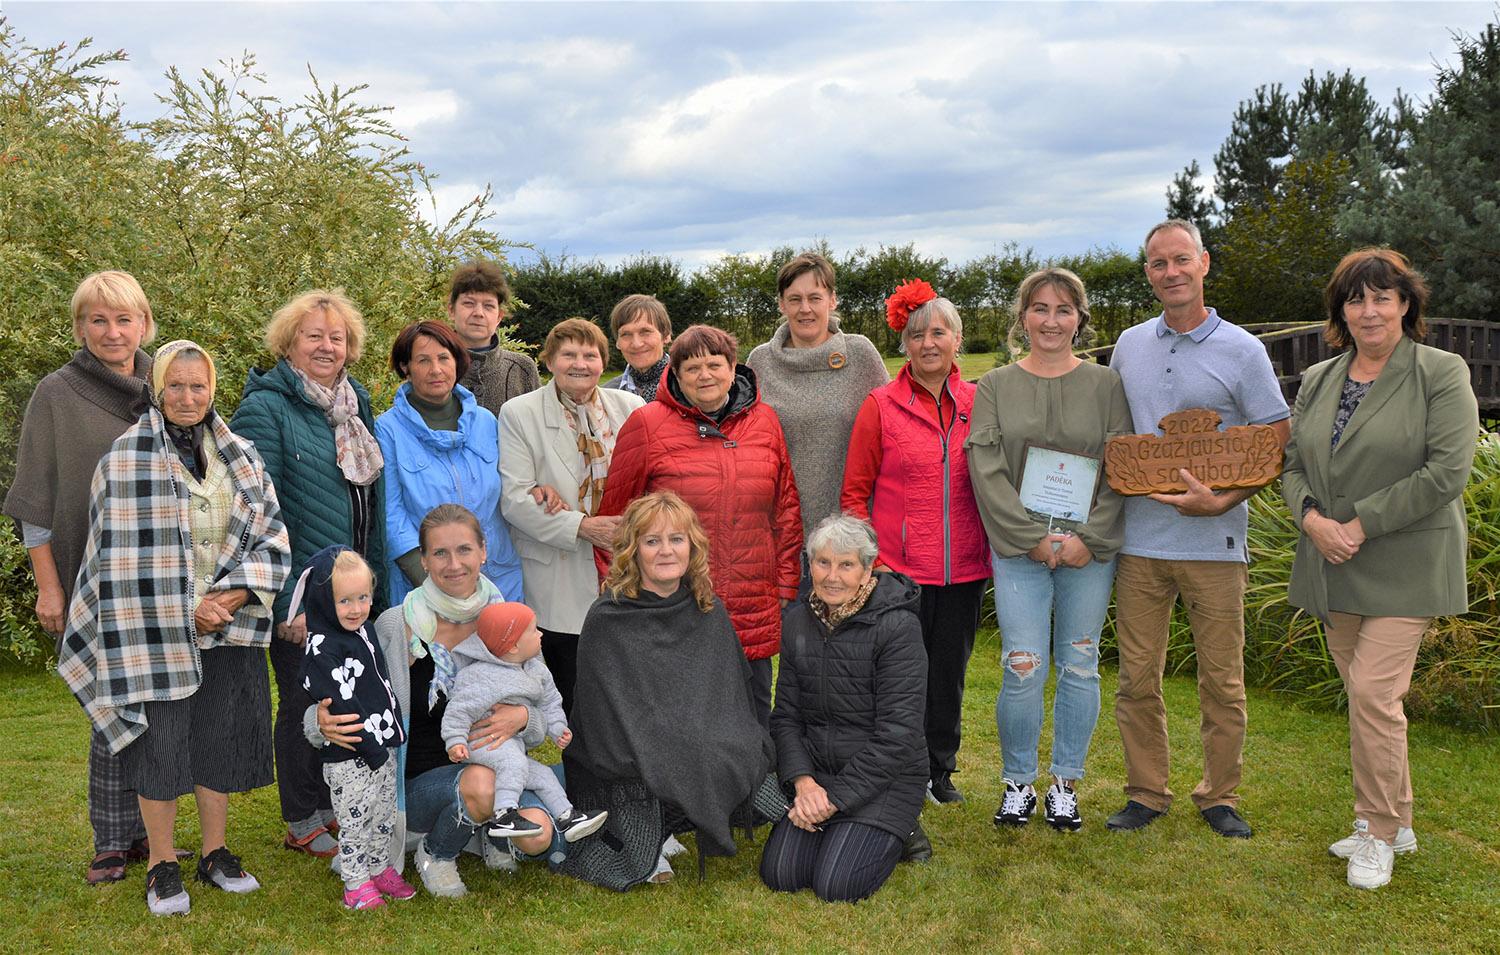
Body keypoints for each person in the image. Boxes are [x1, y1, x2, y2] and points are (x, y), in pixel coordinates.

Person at [58, 340, 291, 916]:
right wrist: (190, 605)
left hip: (230, 625)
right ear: (157, 389)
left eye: (199, 385)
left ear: (214, 389)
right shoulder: (125, 458)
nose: (189, 397)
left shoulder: (243, 455)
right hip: (154, 630)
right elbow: (116, 559)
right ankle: (162, 863)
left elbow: (273, 534)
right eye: (177, 386)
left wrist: (232, 596)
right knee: (160, 745)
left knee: (219, 738)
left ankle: (216, 853)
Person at [1283, 249, 1479, 889]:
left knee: (1372, 693)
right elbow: (1292, 467)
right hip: (1333, 561)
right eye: (1355, 299)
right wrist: (1313, 521)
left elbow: (1447, 471)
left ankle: (1376, 830)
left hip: (1404, 561)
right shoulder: (1318, 378)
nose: (1369, 310)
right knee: (1375, 704)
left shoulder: (1441, 372)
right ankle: (1404, 820)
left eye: (1382, 297)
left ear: (1406, 304)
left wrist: (1358, 525)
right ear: (1341, 311)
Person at [1106, 219, 1291, 839]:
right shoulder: (1129, 345)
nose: (1170, 273)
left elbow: (1273, 440)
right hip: (1139, 543)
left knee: (1222, 678)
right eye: (1158, 264)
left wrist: (1225, 500)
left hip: (1216, 543)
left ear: (1204, 263)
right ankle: (1145, 792)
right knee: (1137, 677)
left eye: (1180, 260)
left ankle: (1220, 796)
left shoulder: (1243, 349)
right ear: (1150, 273)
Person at [311, 504, 564, 899]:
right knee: (481, 785)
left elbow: (542, 711)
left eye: (464, 550)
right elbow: (328, 684)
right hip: (414, 782)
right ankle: (435, 852)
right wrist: (319, 721)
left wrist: (522, 717)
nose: (454, 564)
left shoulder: (511, 623)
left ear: (484, 550)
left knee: (539, 836)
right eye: (440, 553)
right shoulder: (395, 625)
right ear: (424, 561)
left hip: (497, 765)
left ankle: (484, 833)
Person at [966, 268, 1134, 831]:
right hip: (1019, 550)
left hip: (1090, 550)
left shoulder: (1106, 385)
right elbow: (985, 469)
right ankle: (1018, 783)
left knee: (1081, 664)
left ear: (1079, 319)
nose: (1051, 321)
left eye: (1063, 310)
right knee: (1023, 666)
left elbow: (1121, 468)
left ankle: (1065, 782)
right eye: (1040, 308)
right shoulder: (995, 387)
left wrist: (1089, 540)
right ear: (1023, 317)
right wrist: (1030, 538)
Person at [4, 271, 158, 884]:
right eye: (98, 320)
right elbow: (35, 504)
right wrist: (49, 586)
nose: (112, 332)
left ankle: (151, 829)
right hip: (87, 581)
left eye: (124, 319)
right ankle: (111, 841)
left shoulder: (167, 381)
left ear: (144, 324)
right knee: (107, 712)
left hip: (159, 583)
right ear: (79, 327)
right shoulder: (56, 394)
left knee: (155, 710)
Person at [230, 288, 387, 859]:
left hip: (353, 588)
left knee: (343, 700)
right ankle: (301, 818)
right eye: (313, 335)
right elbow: (255, 513)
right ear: (288, 343)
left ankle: (330, 805)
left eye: (336, 336)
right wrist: (284, 602)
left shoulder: (357, 401)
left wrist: (375, 587)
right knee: (302, 704)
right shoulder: (265, 408)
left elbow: (370, 498)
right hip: (301, 591)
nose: (326, 346)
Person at [564, 491, 776, 889]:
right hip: (628, 750)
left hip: (698, 738)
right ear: (633, 550)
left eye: (676, 539)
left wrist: (716, 736)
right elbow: (603, 715)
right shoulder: (607, 617)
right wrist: (669, 741)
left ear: (692, 547)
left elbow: (730, 694)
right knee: (666, 761)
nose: (666, 551)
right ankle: (657, 827)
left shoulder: (708, 608)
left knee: (754, 773)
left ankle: (681, 813)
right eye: (652, 541)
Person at [595, 325, 802, 725]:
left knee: (753, 713)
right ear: (676, 373)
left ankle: (756, 788)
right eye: (692, 367)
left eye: (714, 364)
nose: (705, 375)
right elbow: (615, 523)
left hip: (750, 597)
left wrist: (787, 583)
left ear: (732, 367)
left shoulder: (766, 422)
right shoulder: (647, 424)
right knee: (682, 718)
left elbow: (786, 511)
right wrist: (624, 597)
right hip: (675, 600)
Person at [841, 280, 990, 804]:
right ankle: (892, 768)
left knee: (947, 674)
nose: (928, 342)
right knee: (897, 678)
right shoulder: (880, 405)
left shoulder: (980, 402)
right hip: (898, 570)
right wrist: (873, 561)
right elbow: (855, 491)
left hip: (964, 568)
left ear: (957, 339)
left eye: (939, 332)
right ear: (903, 344)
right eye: (917, 333)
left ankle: (938, 770)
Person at [760, 515, 927, 903]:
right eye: (823, 562)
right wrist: (804, 784)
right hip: (818, 777)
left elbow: (898, 735)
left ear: (868, 569)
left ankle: (904, 831)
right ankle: (843, 828)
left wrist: (834, 800)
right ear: (810, 565)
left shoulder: (897, 628)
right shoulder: (798, 621)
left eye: (846, 564)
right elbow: (785, 716)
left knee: (836, 885)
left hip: (884, 779)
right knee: (781, 875)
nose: (832, 576)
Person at [498, 318, 643, 714]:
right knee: (577, 696)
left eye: (590, 354)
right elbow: (515, 499)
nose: (580, 363)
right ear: (549, 361)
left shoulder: (631, 409)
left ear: (603, 361)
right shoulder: (519, 414)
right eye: (568, 354)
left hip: (623, 566)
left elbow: (651, 481)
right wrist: (581, 526)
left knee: (628, 691)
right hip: (559, 576)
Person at [293, 546, 415, 910]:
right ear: (322, 602)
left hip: (382, 745)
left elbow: (381, 683)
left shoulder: (365, 632)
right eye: (344, 600)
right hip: (351, 755)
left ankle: (378, 868)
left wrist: (391, 735)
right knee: (355, 819)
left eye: (363, 597)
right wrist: (374, 747)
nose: (357, 608)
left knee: (382, 814)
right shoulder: (322, 649)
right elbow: (343, 704)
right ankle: (355, 881)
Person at [376, 320, 524, 606]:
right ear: (405, 367)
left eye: (444, 358)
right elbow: (391, 516)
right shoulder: (387, 430)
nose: (436, 370)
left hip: (499, 578)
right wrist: (435, 584)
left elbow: (514, 486)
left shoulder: (486, 421)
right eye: (423, 360)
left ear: (457, 361)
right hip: (429, 586)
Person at [441, 602, 608, 843]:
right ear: (513, 645)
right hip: (481, 742)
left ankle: (566, 817)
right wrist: (455, 740)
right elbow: (459, 710)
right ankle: (504, 814)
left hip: (511, 745)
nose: (540, 633)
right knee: (513, 762)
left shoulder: (537, 671)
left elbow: (550, 703)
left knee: (543, 776)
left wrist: (557, 728)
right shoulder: (479, 675)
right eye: (533, 630)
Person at [748, 253, 889, 537]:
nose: (805, 309)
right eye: (794, 299)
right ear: (781, 304)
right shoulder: (760, 362)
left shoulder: (860, 354)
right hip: (781, 531)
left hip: (853, 532)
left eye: (815, 298)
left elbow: (892, 430)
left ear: (832, 300)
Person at [448, 260, 541, 415]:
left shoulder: (522, 369)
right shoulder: (433, 366)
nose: (478, 313)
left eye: (488, 306)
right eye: (469, 303)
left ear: (499, 316)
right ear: (451, 310)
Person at [604, 293, 672, 402]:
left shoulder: (689, 388)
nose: (636, 344)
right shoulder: (605, 397)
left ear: (666, 336)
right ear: (618, 342)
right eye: (626, 334)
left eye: (645, 332)